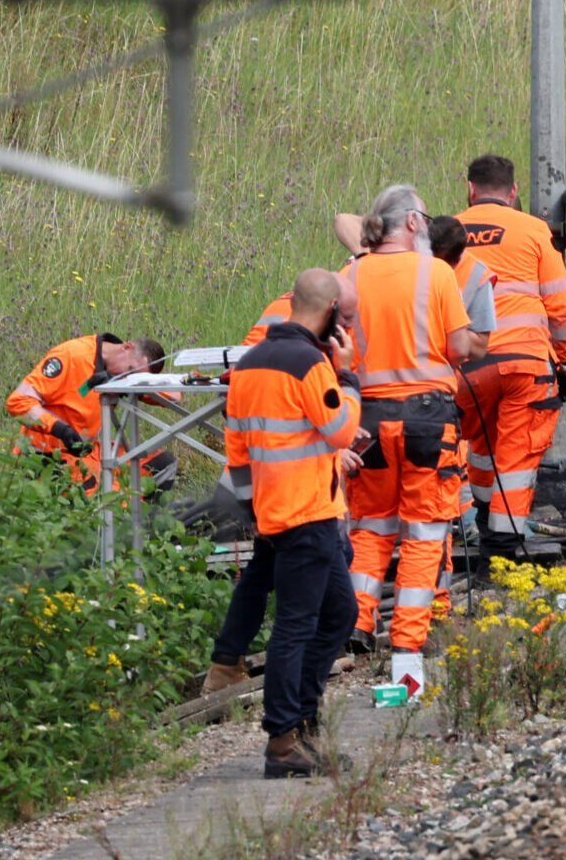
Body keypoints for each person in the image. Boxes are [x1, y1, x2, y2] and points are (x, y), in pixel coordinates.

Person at [221, 269, 362, 778]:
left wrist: (252, 511)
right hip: (307, 515)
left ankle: (301, 719)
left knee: (338, 614)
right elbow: (340, 430)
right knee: (298, 627)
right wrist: (346, 376)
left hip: (279, 513)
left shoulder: (250, 362)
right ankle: (283, 741)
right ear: (327, 313)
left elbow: (235, 449)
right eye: (342, 317)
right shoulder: (311, 364)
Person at [341, 185, 475, 693]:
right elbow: (458, 345)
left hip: (369, 418)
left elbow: (339, 350)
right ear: (415, 223)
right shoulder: (436, 273)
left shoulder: (350, 274)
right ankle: (408, 640)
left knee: (371, 526)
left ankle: (356, 624)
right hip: (427, 418)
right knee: (423, 532)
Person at [452, 155, 566, 554]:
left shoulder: (447, 233)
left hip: (467, 366)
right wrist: (564, 360)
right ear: (514, 191)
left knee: (481, 444)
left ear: (471, 190)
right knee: (517, 449)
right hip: (525, 363)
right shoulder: (534, 231)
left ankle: (484, 516)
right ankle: (506, 537)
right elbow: (559, 304)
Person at [7, 332, 174, 492]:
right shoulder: (72, 356)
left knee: (163, 465)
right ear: (126, 347)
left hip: (89, 453)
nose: (127, 377)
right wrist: (59, 429)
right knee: (102, 501)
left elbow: (175, 396)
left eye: (134, 376)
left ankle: (144, 517)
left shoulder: (121, 377)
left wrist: (133, 385)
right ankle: (130, 515)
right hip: (49, 456)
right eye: (130, 370)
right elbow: (18, 401)